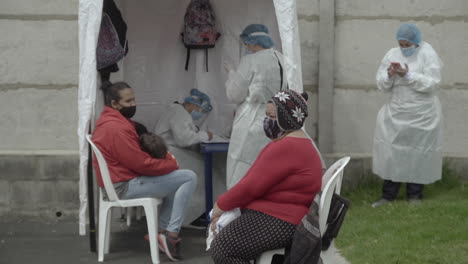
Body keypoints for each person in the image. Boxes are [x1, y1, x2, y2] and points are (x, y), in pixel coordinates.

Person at [209, 90, 323, 264]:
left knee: (222, 249)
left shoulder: (286, 147)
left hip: (280, 219)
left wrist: (219, 206)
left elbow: (250, 187)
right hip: (284, 214)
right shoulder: (300, 143)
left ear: (287, 118)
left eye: (271, 115)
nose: (266, 121)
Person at [92, 81, 197, 261]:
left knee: (177, 180)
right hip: (123, 187)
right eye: (128, 101)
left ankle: (163, 232)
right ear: (114, 104)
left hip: (123, 181)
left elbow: (137, 160)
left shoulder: (116, 122)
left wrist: (167, 165)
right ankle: (170, 235)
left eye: (134, 99)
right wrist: (170, 163)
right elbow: (140, 164)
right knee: (188, 177)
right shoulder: (115, 128)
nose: (133, 104)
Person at [372, 24, 443, 208]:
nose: (404, 48)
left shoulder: (428, 54)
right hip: (396, 112)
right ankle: (388, 196)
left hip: (422, 113)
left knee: (417, 153)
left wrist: (408, 74)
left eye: (407, 44)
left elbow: (432, 83)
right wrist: (389, 75)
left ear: (416, 42)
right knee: (392, 153)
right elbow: (381, 84)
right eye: (401, 44)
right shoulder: (392, 54)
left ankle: (415, 196)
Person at [224, 23, 288, 189]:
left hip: (253, 121)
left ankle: (237, 211)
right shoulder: (282, 58)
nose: (246, 47)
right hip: (279, 118)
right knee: (272, 169)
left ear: (252, 42)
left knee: (242, 168)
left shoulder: (250, 60)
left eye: (246, 43)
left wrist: (231, 73)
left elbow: (234, 94)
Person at [154, 88, 220, 228]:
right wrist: (204, 136)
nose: (199, 113)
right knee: (204, 170)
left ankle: (200, 210)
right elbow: (184, 139)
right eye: (199, 109)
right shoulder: (178, 112)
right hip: (171, 153)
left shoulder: (178, 111)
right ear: (190, 104)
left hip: (171, 151)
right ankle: (193, 214)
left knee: (204, 165)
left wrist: (199, 134)